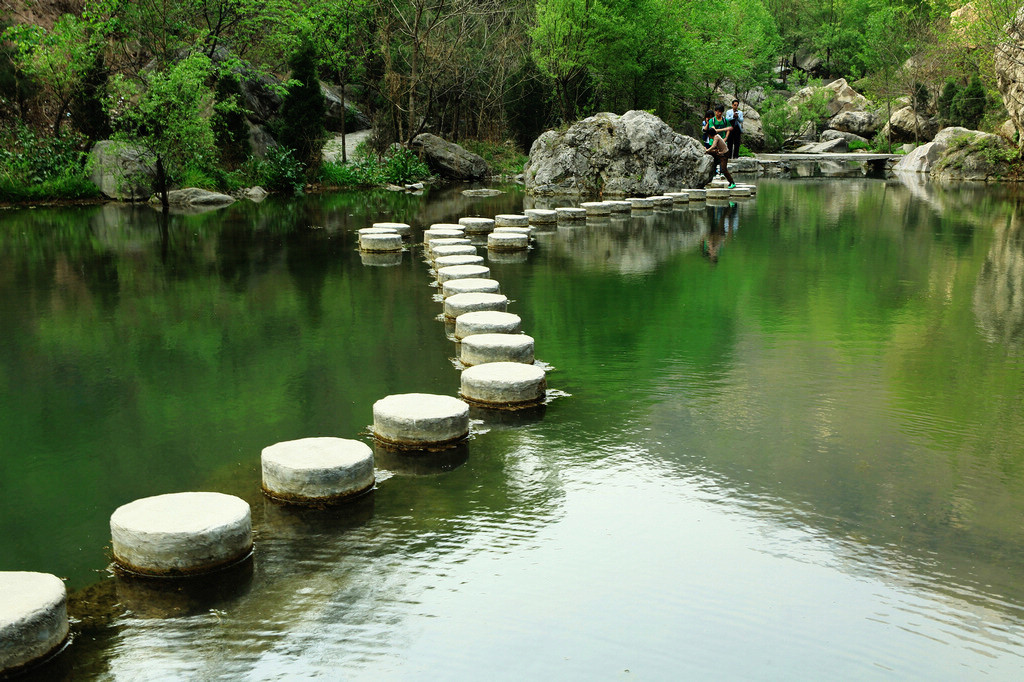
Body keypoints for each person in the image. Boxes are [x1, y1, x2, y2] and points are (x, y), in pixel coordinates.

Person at [702, 105, 735, 188]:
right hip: (720, 151)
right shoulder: (712, 121)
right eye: (717, 111)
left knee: (724, 168)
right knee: (713, 160)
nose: (718, 113)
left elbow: (713, 145)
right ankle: (712, 175)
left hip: (724, 153)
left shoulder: (716, 136)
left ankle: (732, 182)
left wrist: (707, 150)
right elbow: (714, 130)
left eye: (720, 111)